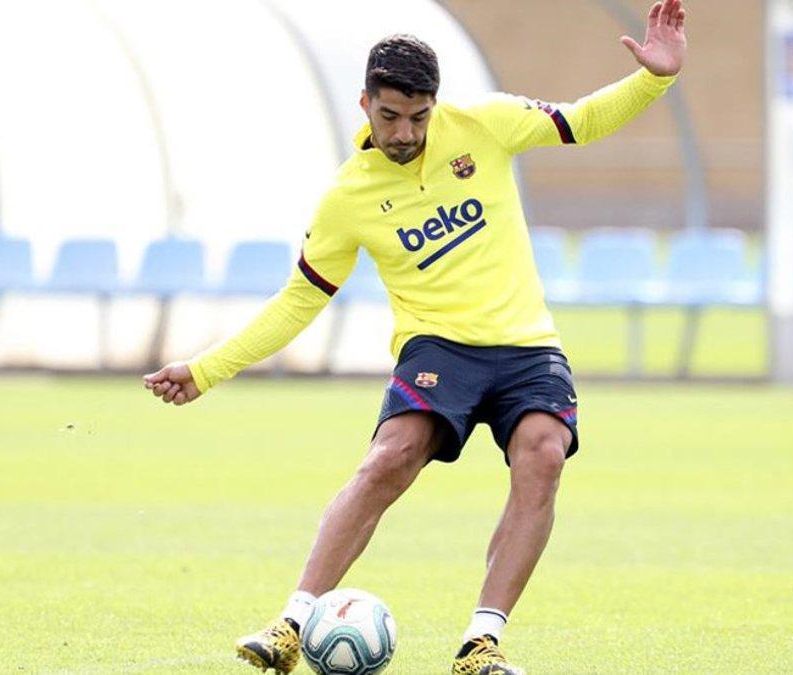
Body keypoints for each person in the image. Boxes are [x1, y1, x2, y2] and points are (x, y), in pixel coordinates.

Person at [143, 2, 686, 672]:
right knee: (391, 456)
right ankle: (291, 621)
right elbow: (297, 302)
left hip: (525, 344)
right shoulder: (349, 197)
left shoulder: (484, 123)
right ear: (365, 103)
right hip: (438, 348)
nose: (405, 132)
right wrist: (205, 369)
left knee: (543, 454)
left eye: (420, 117)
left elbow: (583, 119)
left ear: (437, 105)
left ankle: (481, 642)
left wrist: (654, 79)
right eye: (390, 115)